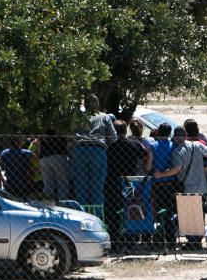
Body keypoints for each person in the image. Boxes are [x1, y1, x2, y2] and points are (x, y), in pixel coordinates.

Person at [105, 120, 147, 250]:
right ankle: (131, 240)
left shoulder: (110, 146)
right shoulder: (134, 144)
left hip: (113, 182)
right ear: (125, 130)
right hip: (130, 183)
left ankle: (115, 241)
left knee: (113, 212)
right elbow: (145, 154)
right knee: (131, 210)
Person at [72, 96, 117, 206]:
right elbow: (113, 138)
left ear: (85, 105)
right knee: (97, 186)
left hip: (80, 149)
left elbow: (71, 135)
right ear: (97, 104)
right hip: (98, 150)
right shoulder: (104, 117)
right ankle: (96, 216)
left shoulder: (78, 118)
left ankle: (83, 214)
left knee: (80, 185)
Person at [147, 123, 177, 248]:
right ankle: (171, 240)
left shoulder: (152, 146)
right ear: (170, 133)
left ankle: (158, 239)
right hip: (170, 183)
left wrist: (153, 171)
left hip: (157, 184)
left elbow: (148, 166)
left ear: (158, 132)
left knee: (157, 212)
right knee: (170, 212)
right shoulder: (173, 146)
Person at [37, 129, 70, 200]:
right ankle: (63, 202)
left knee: (48, 184)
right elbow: (67, 138)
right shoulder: (60, 125)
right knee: (62, 182)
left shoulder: (44, 125)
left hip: (44, 156)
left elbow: (39, 141)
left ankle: (48, 202)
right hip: (58, 154)